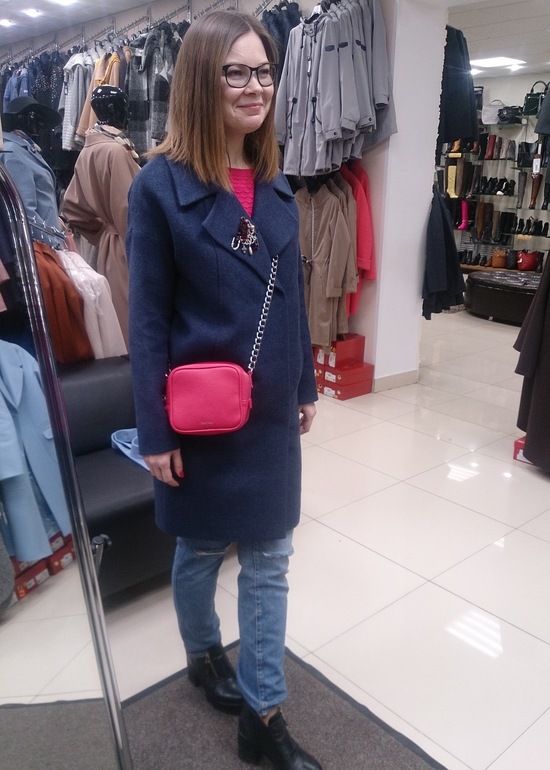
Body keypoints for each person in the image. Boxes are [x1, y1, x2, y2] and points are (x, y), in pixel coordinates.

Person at [125, 11, 320, 770]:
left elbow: (290, 300)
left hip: (267, 417)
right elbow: (147, 322)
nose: (253, 86)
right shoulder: (159, 187)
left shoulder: (276, 184)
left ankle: (264, 715)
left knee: (271, 559)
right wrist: (154, 431)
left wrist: (304, 382)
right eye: (234, 71)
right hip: (199, 418)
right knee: (201, 547)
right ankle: (204, 652)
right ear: (201, 83)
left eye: (263, 71)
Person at [61, 86, 141, 345]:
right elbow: (128, 210)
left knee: (116, 318)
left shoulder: (89, 150)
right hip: (127, 249)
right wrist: (110, 232)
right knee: (129, 321)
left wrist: (101, 234)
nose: (126, 112)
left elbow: (72, 207)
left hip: (108, 248)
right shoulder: (114, 151)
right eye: (123, 106)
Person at [0, 96, 66, 249]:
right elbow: (25, 213)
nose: (40, 122)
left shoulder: (26, 148)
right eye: (34, 116)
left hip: (44, 240)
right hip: (38, 246)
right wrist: (53, 242)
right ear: (20, 118)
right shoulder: (14, 153)